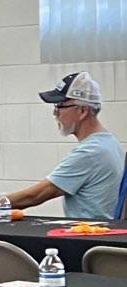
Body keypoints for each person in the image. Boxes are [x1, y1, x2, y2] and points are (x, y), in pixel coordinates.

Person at [7, 71, 124, 219]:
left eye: (60, 106)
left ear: (82, 111)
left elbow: (34, 196)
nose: (55, 114)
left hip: (89, 237)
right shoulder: (110, 143)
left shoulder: (91, 152)